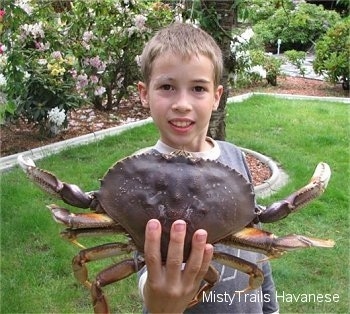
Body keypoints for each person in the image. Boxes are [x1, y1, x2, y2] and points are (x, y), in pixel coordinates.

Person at [136, 22, 279, 314]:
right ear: (144, 93)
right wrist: (155, 295)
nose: (182, 104)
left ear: (216, 96)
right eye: (167, 87)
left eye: (198, 88)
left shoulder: (235, 158)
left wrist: (271, 306)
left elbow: (258, 240)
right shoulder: (140, 171)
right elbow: (138, 255)